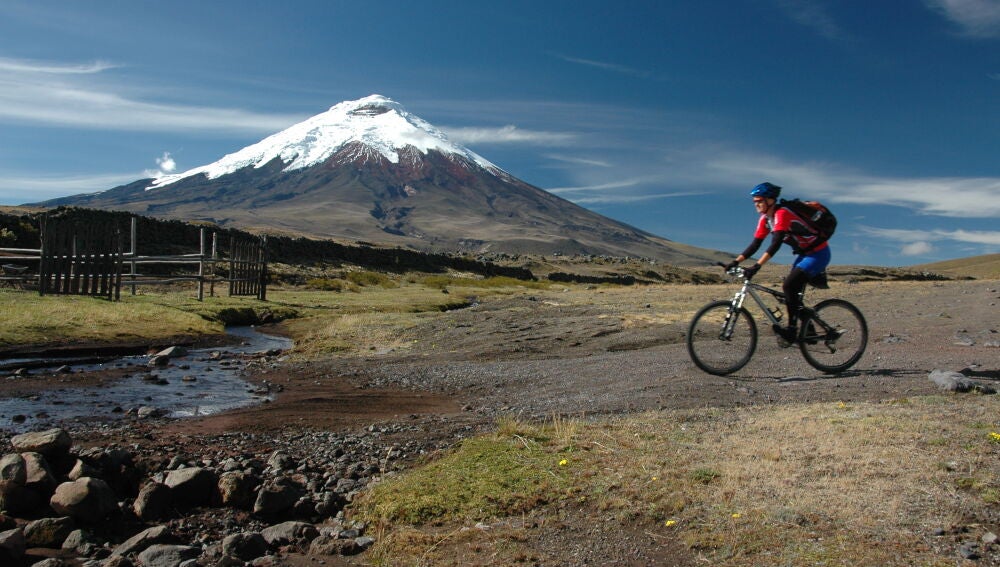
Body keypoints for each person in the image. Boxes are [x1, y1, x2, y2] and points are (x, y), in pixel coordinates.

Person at [726, 182, 831, 345]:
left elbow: (775, 244)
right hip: (804, 255)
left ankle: (791, 330)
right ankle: (808, 329)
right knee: (790, 296)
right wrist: (735, 261)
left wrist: (757, 266)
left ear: (770, 200)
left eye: (759, 201)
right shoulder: (765, 220)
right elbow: (755, 244)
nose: (756, 204)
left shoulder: (782, 214)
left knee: (789, 286)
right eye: (754, 201)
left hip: (819, 253)